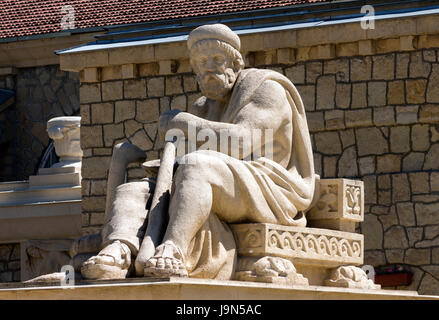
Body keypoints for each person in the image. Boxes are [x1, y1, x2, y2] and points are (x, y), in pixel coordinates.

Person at [81, 24, 316, 280]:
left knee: (197, 166)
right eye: (202, 63)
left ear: (236, 64)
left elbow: (240, 142)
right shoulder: (205, 106)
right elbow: (185, 156)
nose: (210, 69)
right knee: (135, 189)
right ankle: (119, 250)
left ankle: (174, 249)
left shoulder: (266, 89)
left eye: (217, 60)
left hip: (271, 187)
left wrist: (183, 122)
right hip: (224, 181)